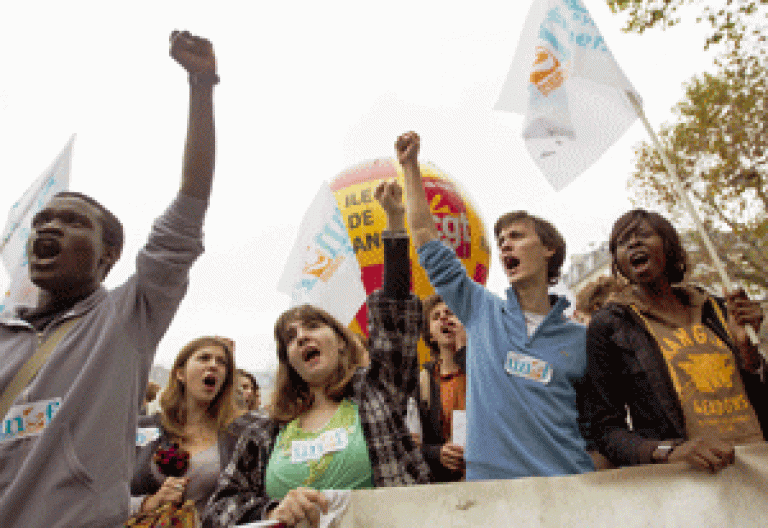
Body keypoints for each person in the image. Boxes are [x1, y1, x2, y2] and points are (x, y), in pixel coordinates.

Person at [0, 30, 218, 527]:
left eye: (71, 222)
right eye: (41, 223)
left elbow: (190, 204)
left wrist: (202, 86)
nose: (48, 228)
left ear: (109, 255)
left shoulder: (126, 320)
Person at [201, 180, 430, 528]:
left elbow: (396, 315)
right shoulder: (262, 429)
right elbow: (218, 511)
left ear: (341, 341)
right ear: (288, 361)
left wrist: (395, 223)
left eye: (312, 326)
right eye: (291, 338)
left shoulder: (378, 394)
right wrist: (272, 511)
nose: (302, 336)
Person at [399, 131, 594, 481]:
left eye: (516, 237)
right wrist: (410, 166)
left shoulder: (582, 339)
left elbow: (599, 425)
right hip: (492, 494)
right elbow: (426, 239)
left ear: (549, 249)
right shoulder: (480, 310)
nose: (505, 246)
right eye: (501, 241)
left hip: (567, 489)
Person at [584, 209, 767, 471]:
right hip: (687, 479)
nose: (634, 243)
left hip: (756, 466)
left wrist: (747, 351)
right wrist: (671, 452)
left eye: (644, 235)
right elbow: (604, 429)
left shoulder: (717, 309)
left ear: (670, 246)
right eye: (623, 242)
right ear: (618, 262)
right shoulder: (610, 325)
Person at [131, 337, 256, 516]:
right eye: (204, 358)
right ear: (180, 373)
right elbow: (103, 496)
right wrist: (148, 503)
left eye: (222, 362)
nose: (213, 365)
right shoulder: (142, 428)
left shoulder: (239, 435)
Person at [418, 293, 467, 481]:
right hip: (444, 485)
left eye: (450, 313)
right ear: (430, 333)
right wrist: (437, 453)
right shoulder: (423, 381)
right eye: (436, 317)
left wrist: (464, 350)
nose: (444, 318)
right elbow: (411, 442)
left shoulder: (482, 370)